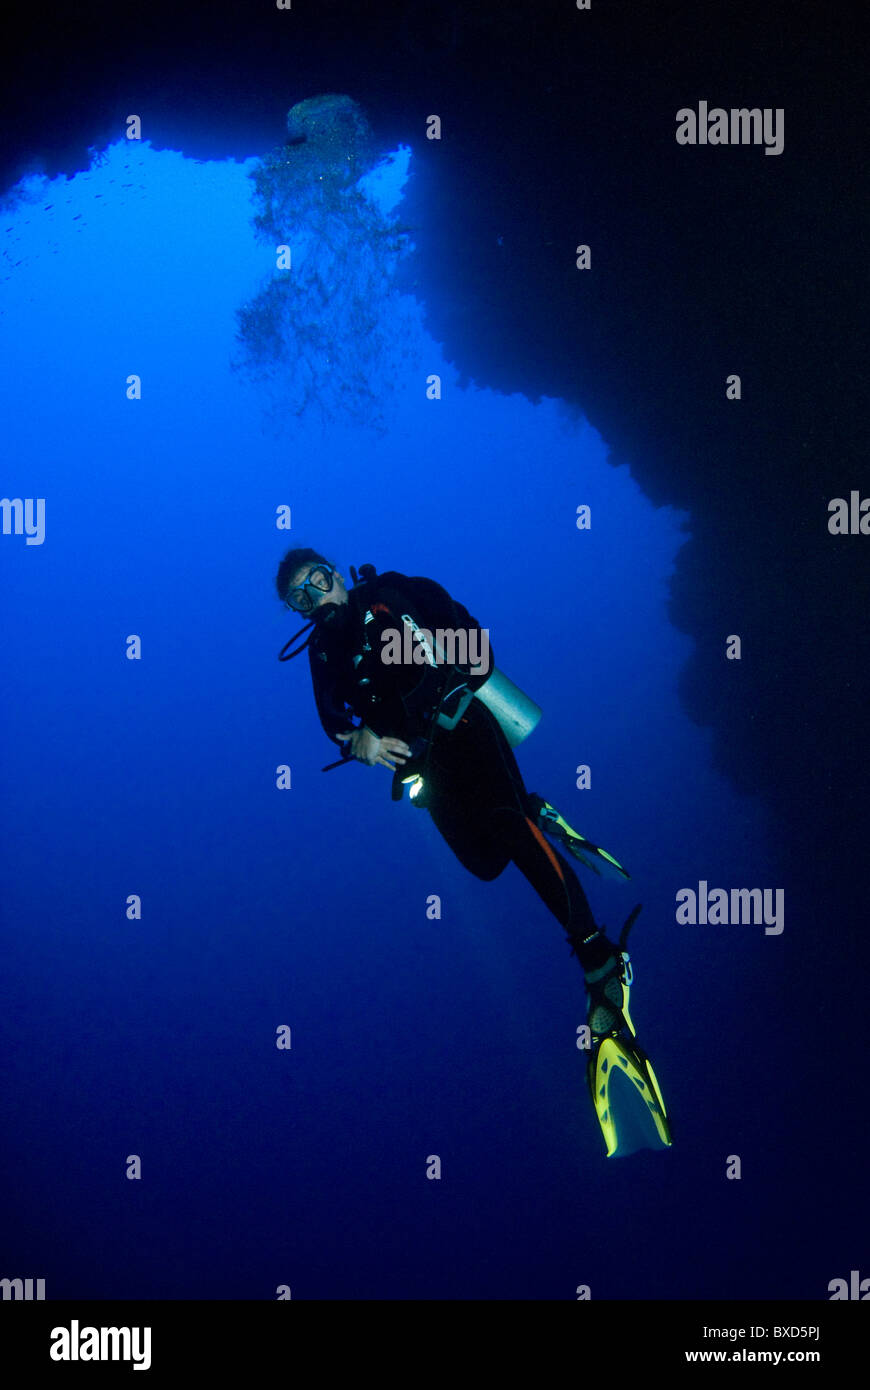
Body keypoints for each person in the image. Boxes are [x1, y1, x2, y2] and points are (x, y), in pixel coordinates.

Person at [276, 548, 671, 1156]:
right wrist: (355, 737)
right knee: (485, 864)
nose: (316, 597)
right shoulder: (324, 654)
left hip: (465, 725)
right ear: (294, 610)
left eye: (319, 581)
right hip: (426, 767)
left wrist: (436, 661)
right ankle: (534, 810)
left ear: (334, 569)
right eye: (300, 598)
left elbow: (474, 643)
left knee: (506, 827)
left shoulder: (393, 597)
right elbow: (331, 716)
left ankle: (599, 959)